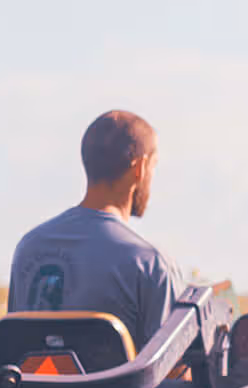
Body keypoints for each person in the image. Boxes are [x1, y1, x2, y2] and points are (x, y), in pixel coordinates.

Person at [9, 110, 176, 346]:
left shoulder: (29, 247)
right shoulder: (149, 263)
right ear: (139, 167)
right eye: (153, 167)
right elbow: (172, 376)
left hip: (37, 385)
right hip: (113, 386)